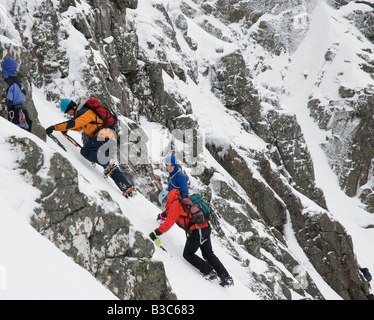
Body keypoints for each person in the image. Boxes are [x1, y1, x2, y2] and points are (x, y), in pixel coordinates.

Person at [150, 156, 233, 287]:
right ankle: (226, 277)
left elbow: (170, 221)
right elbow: (172, 213)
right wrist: (163, 214)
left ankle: (209, 271)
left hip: (197, 230)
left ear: (167, 199)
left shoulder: (175, 204)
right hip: (205, 227)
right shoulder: (178, 202)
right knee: (208, 254)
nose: (165, 205)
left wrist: (156, 233)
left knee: (188, 254)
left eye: (164, 203)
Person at [45, 98, 134, 198]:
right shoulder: (83, 113)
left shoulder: (84, 112)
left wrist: (54, 127)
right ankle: (126, 187)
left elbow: (73, 123)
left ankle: (108, 163)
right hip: (107, 138)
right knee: (108, 166)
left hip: (104, 138)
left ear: (72, 107)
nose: (69, 114)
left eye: (68, 112)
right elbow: (78, 126)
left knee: (86, 151)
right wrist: (66, 130)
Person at [1, 58, 32, 132]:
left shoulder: (8, 83)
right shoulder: (19, 82)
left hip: (13, 112)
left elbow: (9, 100)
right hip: (23, 111)